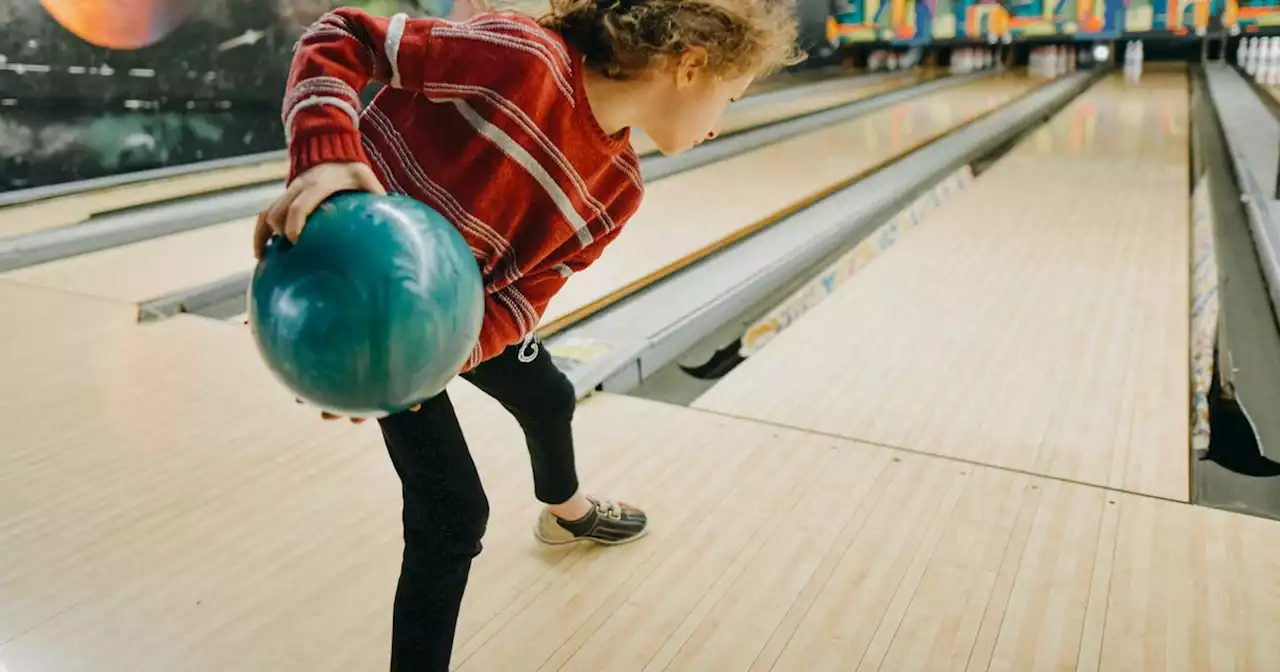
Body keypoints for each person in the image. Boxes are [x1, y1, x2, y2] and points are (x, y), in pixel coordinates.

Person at [253, 0, 802, 668]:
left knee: (548, 396)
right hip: (359, 292)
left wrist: (447, 352)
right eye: (731, 99)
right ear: (690, 67)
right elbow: (340, 37)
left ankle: (566, 513)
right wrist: (323, 158)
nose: (720, 125)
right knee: (453, 514)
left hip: (450, 319)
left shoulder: (618, 190)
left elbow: (522, 299)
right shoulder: (522, 59)